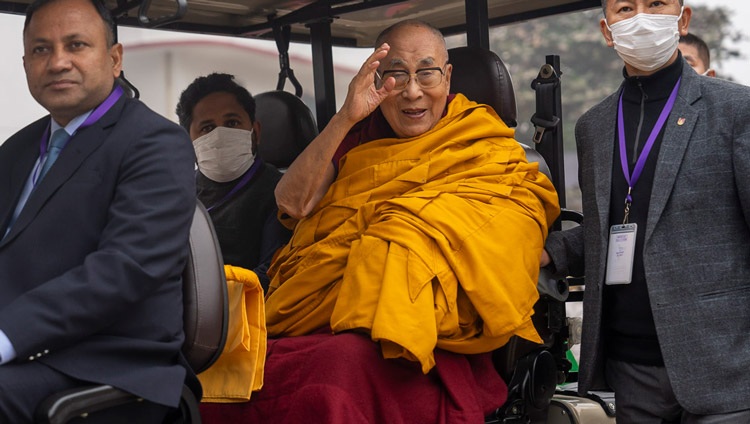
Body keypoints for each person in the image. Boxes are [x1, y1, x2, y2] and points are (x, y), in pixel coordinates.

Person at [198, 19, 559, 423]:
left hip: (421, 337)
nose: (412, 91)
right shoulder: (358, 140)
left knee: (335, 373)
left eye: (426, 72)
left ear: (448, 75)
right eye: (396, 75)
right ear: (376, 79)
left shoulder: (489, 150)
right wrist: (346, 117)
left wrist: (398, 240)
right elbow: (293, 203)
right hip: (317, 317)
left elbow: (504, 249)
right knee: (227, 375)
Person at [542, 0, 750, 422]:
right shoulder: (593, 126)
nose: (640, 17)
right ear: (607, 30)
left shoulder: (734, 110)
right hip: (629, 369)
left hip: (723, 367)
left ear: (682, 18)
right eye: (625, 8)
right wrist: (549, 252)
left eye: (655, 4)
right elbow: (610, 226)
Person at [0, 0, 197, 421]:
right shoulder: (15, 150)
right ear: (25, 64)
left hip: (106, 363)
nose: (57, 62)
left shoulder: (155, 144)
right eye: (40, 49)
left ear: (114, 58)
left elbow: (125, 267)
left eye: (75, 45)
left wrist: (6, 335)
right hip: (24, 352)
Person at [176, 73, 291, 291]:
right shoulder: (177, 192)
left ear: (254, 132)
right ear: (187, 142)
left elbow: (269, 276)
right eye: (207, 128)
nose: (220, 134)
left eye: (232, 123)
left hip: (242, 316)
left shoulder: (281, 193)